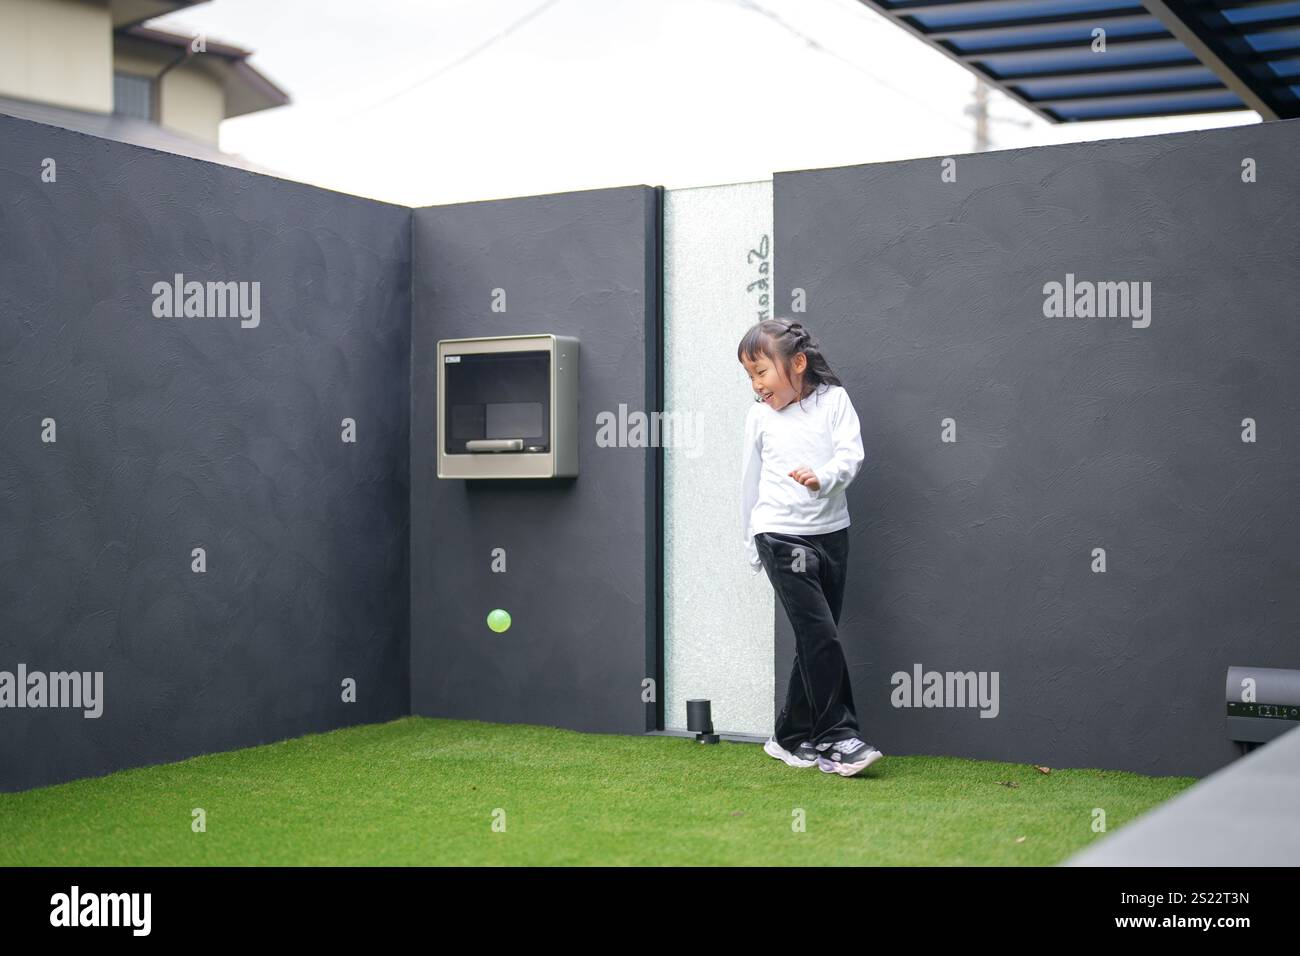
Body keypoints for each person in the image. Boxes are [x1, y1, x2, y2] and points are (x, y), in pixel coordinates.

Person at [738, 317, 883, 777]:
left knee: (814, 640)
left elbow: (850, 456)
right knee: (821, 636)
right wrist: (751, 543)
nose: (757, 385)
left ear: (797, 363)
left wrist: (823, 479)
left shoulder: (833, 402)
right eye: (750, 376)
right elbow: (749, 482)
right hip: (779, 534)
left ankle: (788, 737)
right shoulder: (759, 416)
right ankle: (837, 738)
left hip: (831, 533)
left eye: (761, 371)